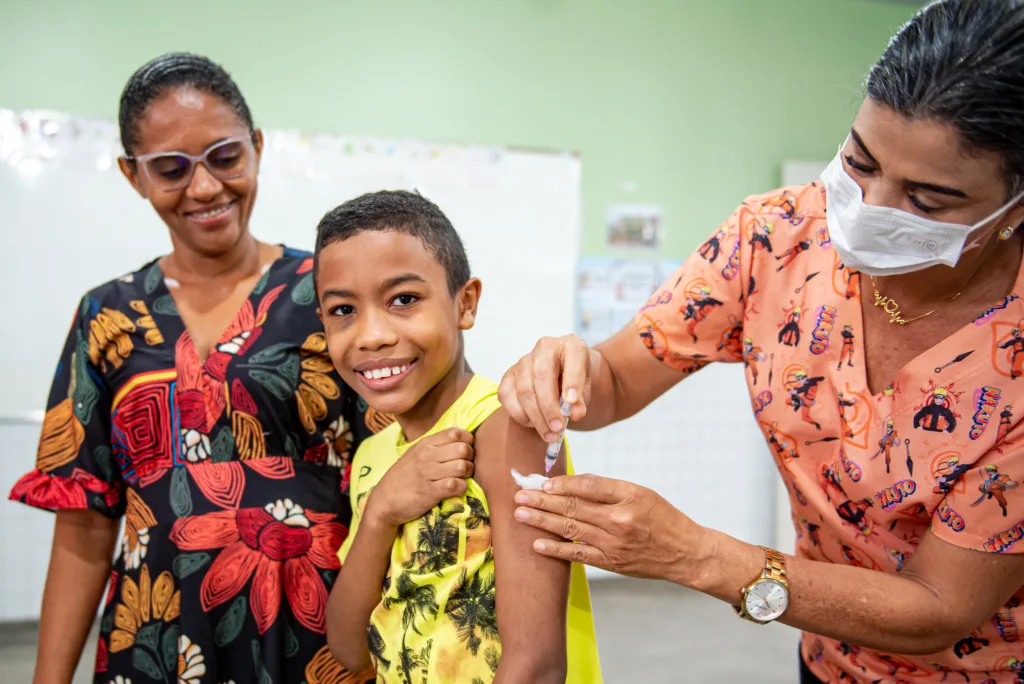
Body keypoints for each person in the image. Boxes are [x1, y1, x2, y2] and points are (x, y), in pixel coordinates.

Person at [497, 1, 1024, 682]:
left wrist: (696, 555)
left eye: (926, 202)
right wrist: (570, 371)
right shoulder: (777, 237)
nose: (868, 210)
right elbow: (616, 382)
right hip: (825, 656)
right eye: (859, 161)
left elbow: (938, 606)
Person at [7, 53, 465, 684]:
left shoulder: (330, 295)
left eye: (224, 157)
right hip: (157, 634)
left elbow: (427, 432)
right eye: (170, 168)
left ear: (255, 146)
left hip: (322, 630)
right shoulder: (107, 317)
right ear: (132, 175)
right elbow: (85, 525)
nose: (204, 188)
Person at [316, 191, 602, 683]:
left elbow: (536, 665)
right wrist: (382, 510)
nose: (371, 335)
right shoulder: (371, 455)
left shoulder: (508, 425)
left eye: (403, 300)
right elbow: (346, 646)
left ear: (464, 303)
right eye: (343, 309)